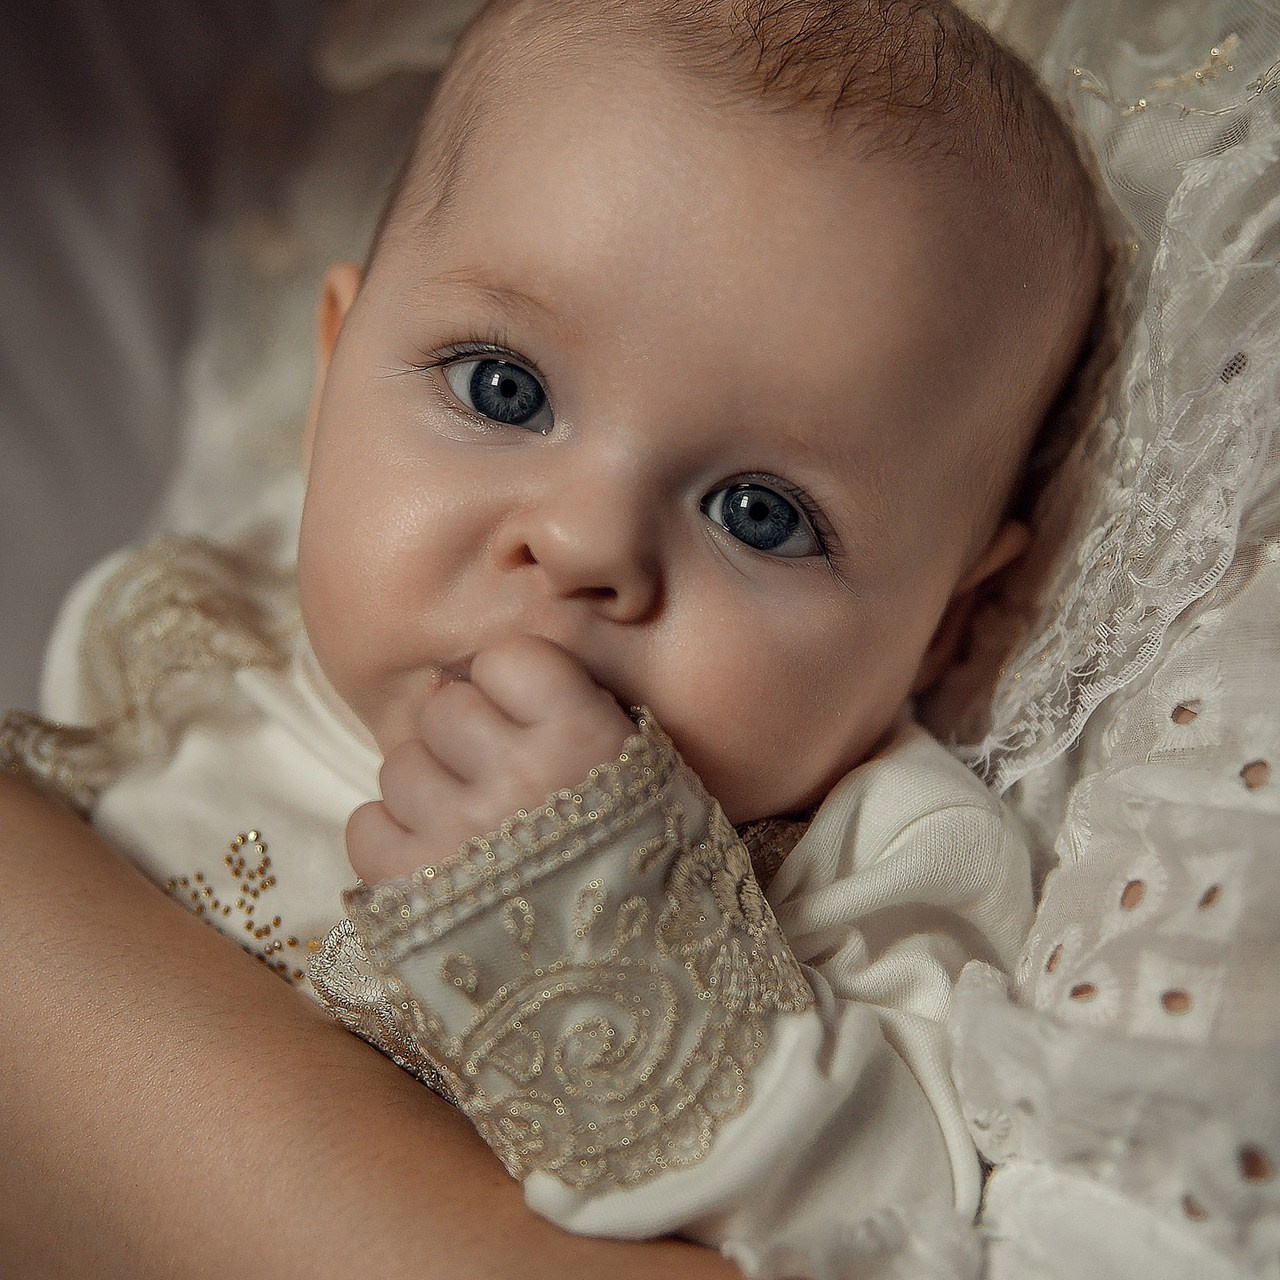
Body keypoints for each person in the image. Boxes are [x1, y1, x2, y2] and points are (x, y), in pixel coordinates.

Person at [1, 0, 1104, 1275]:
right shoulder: (194, 632)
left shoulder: (878, 856)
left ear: (942, 620)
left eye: (760, 514)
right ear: (329, 381)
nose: (584, 545)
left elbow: (898, 1214)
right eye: (501, 388)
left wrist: (605, 927)